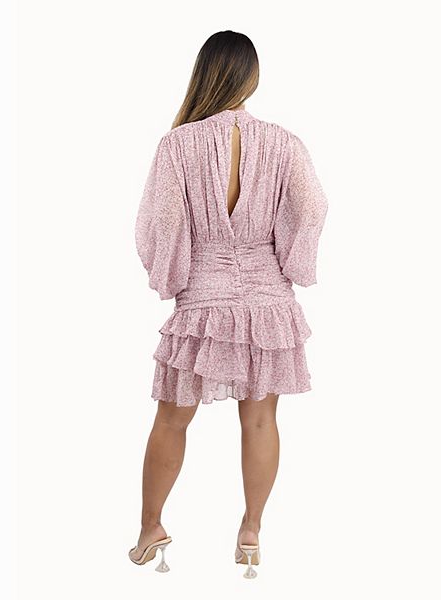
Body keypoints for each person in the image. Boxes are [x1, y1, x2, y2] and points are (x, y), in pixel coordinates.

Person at [129, 30, 328, 578]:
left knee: (171, 420)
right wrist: (290, 261)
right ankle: (251, 531)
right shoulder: (284, 143)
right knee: (261, 421)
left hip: (204, 299)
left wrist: (171, 274)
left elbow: (163, 222)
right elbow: (313, 208)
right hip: (269, 303)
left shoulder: (178, 145)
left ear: (205, 74)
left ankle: (150, 527)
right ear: (252, 78)